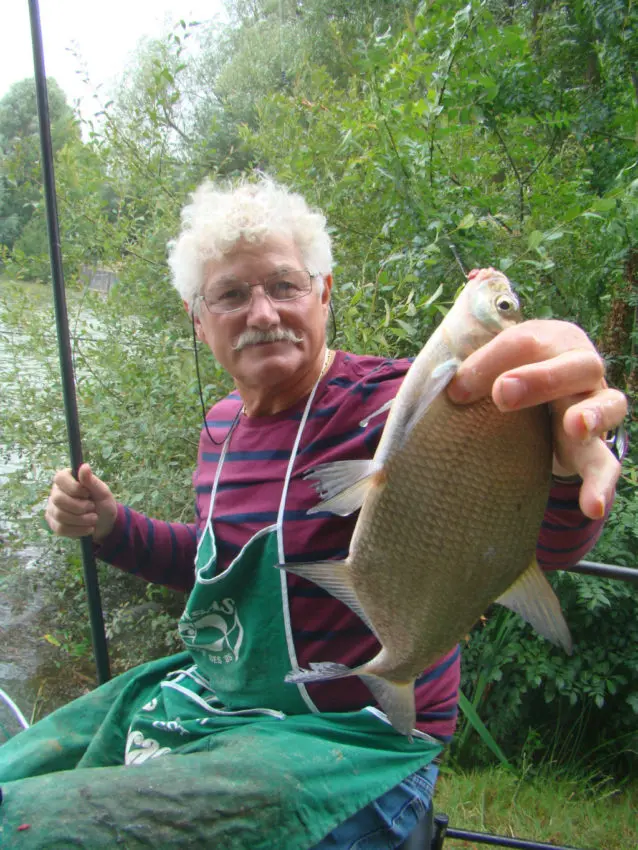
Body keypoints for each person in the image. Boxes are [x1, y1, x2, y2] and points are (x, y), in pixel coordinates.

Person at [0, 178, 626, 849]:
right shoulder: (220, 428)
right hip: (233, 718)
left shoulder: (394, 402)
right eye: (231, 295)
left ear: (324, 293)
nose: (263, 313)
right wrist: (112, 528)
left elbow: (537, 535)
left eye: (285, 285)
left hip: (355, 750)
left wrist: (567, 457)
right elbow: (220, 568)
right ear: (197, 317)